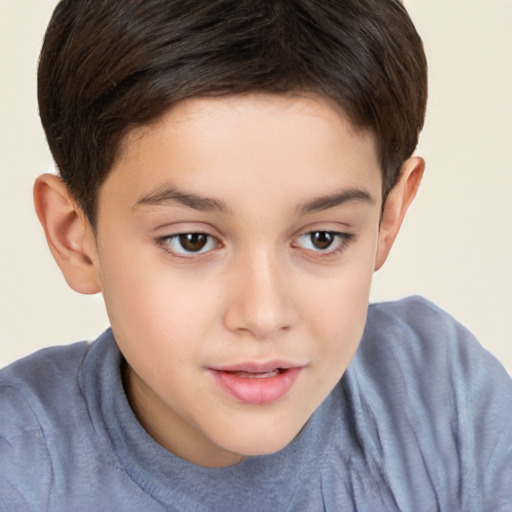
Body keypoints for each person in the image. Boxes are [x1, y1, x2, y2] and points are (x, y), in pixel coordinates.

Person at [1, 0, 510, 510]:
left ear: (388, 217)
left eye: (322, 238)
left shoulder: (444, 399)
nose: (264, 315)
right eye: (191, 240)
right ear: (75, 236)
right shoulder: (18, 468)